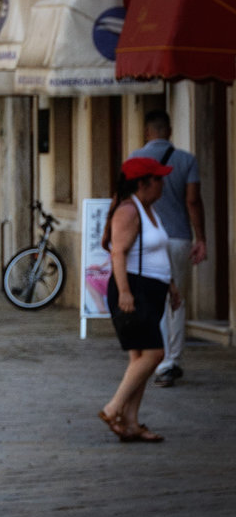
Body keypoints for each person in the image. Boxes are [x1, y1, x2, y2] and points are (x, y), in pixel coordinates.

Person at [99, 157, 180, 444]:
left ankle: (131, 422)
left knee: (139, 357)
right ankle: (114, 408)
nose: (163, 183)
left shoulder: (148, 209)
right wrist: (124, 292)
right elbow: (117, 253)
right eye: (158, 179)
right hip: (135, 289)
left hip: (152, 289)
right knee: (155, 355)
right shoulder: (129, 210)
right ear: (143, 182)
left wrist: (170, 284)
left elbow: (157, 251)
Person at [130, 110, 207, 387]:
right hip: (178, 238)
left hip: (144, 241)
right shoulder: (187, 160)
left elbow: (125, 200)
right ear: (170, 130)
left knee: (152, 299)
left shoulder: (133, 160)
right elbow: (193, 201)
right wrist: (201, 238)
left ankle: (154, 357)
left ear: (147, 131)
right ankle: (172, 360)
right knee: (176, 301)